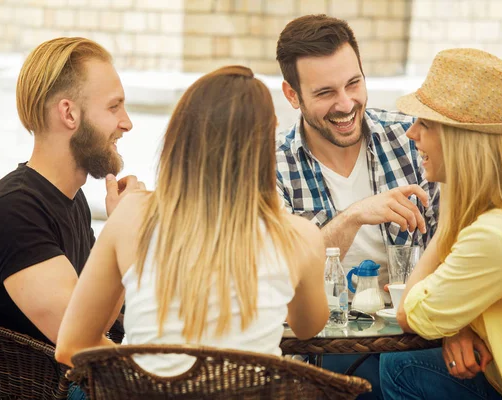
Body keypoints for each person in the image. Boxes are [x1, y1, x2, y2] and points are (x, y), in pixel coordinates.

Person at [55, 66, 329, 376]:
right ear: (265, 145)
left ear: (180, 136)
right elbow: (307, 328)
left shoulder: (130, 215)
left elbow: (72, 346)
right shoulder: (300, 237)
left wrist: (146, 371)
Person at [379, 48, 502, 400]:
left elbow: (410, 312)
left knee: (398, 366)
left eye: (425, 123)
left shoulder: (496, 233)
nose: (412, 133)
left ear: (461, 141)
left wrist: (448, 221)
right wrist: (460, 326)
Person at [275, 14, 439, 398]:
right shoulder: (271, 167)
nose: (346, 104)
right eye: (325, 93)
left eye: (354, 83)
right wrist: (353, 217)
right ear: (292, 95)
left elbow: (464, 237)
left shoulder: (413, 138)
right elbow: (283, 281)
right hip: (322, 352)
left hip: (421, 337)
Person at [0, 37, 142, 347]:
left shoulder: (72, 200)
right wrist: (122, 231)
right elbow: (82, 344)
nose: (127, 123)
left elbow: (102, 320)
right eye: (114, 106)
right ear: (69, 114)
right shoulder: (13, 212)